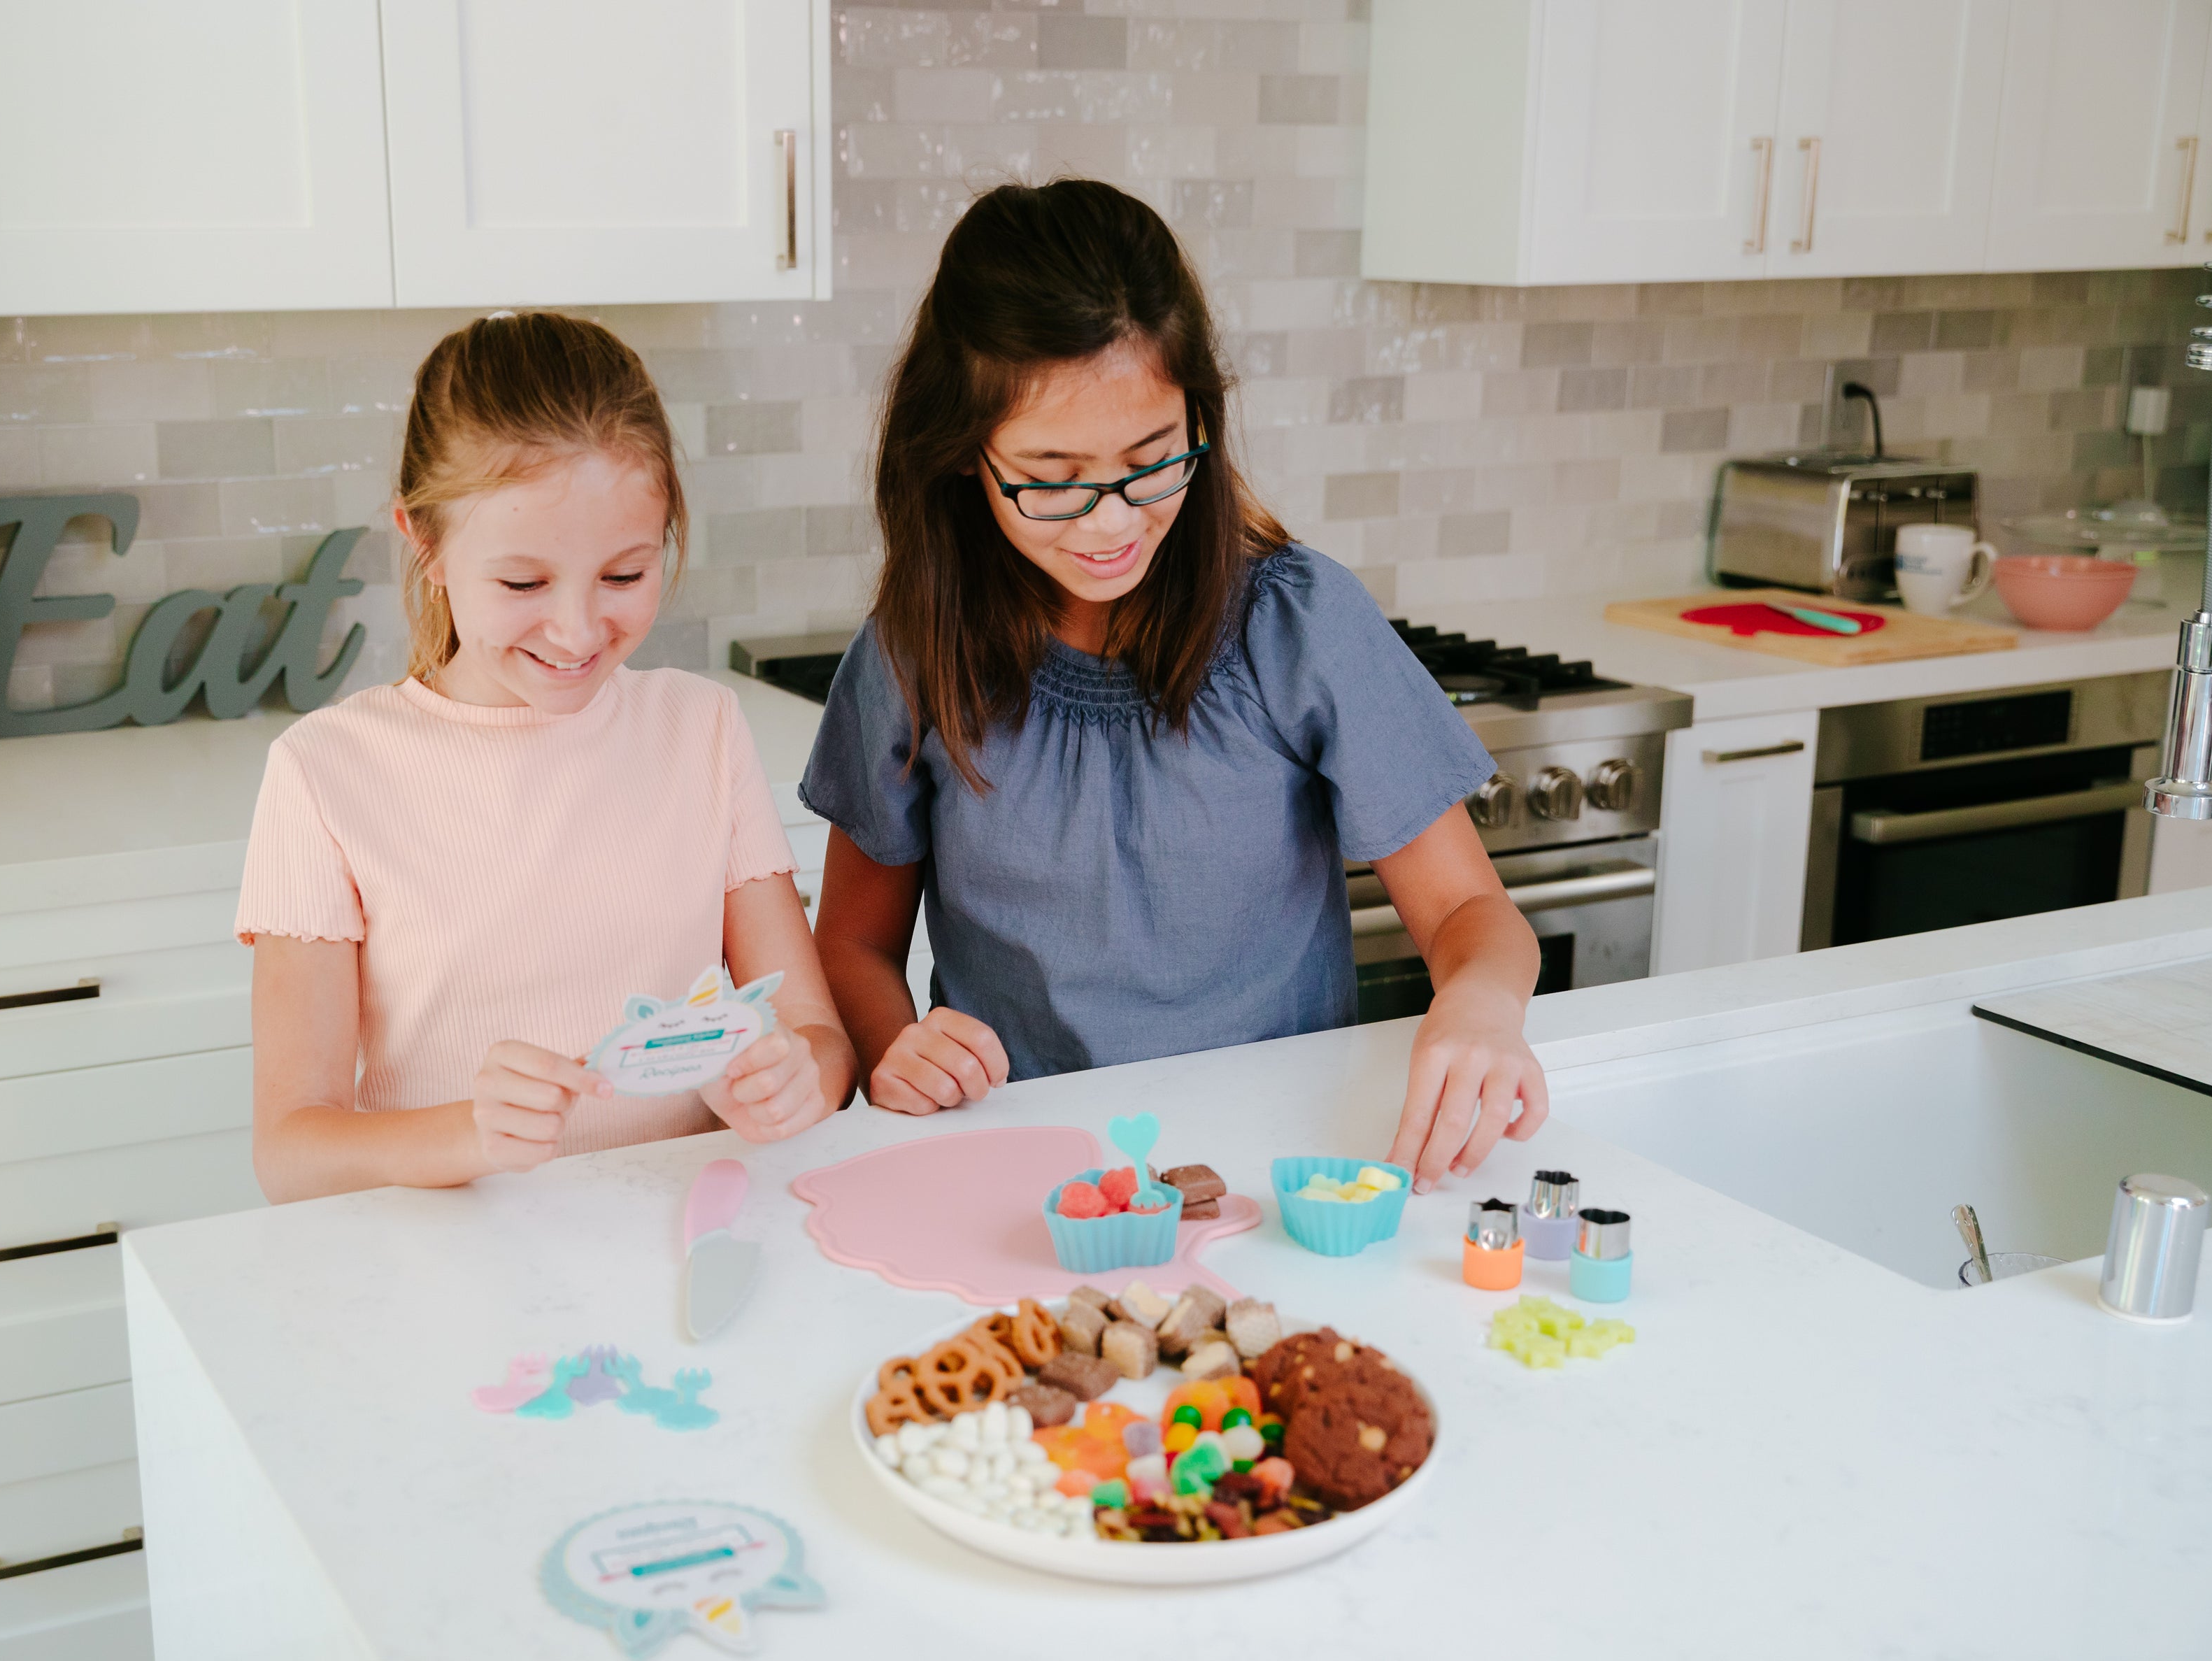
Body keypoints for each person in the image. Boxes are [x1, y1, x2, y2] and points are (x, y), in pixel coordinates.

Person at [804, 179, 1546, 1190]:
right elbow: (851, 942)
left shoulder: (1300, 625)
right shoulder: (914, 651)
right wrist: (897, 1050)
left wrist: (1481, 1005)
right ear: (962, 457)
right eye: (1053, 477)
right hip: (1023, 1174)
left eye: (1153, 461)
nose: (1112, 523)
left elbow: (1471, 915)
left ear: (1202, 416)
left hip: (1275, 1163)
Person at [240, 313, 853, 1202]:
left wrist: (800, 1078)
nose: (576, 630)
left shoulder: (703, 729)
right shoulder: (325, 774)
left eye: (626, 575)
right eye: (523, 583)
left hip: (689, 1232)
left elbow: (815, 1035)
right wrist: (470, 1132)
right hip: (456, 1268)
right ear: (426, 543)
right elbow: (291, 1152)